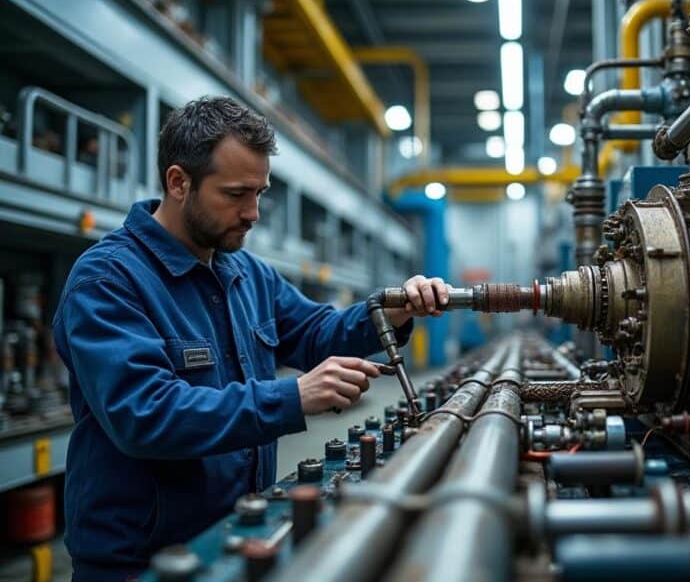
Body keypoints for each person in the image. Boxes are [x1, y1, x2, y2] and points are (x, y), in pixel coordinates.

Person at [52, 96, 448, 581]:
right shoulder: (109, 279)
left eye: (259, 193)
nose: (253, 213)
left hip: (238, 533)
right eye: (237, 194)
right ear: (179, 183)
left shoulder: (246, 274)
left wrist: (389, 310)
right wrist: (292, 397)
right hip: (140, 561)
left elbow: (317, 333)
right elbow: (144, 414)